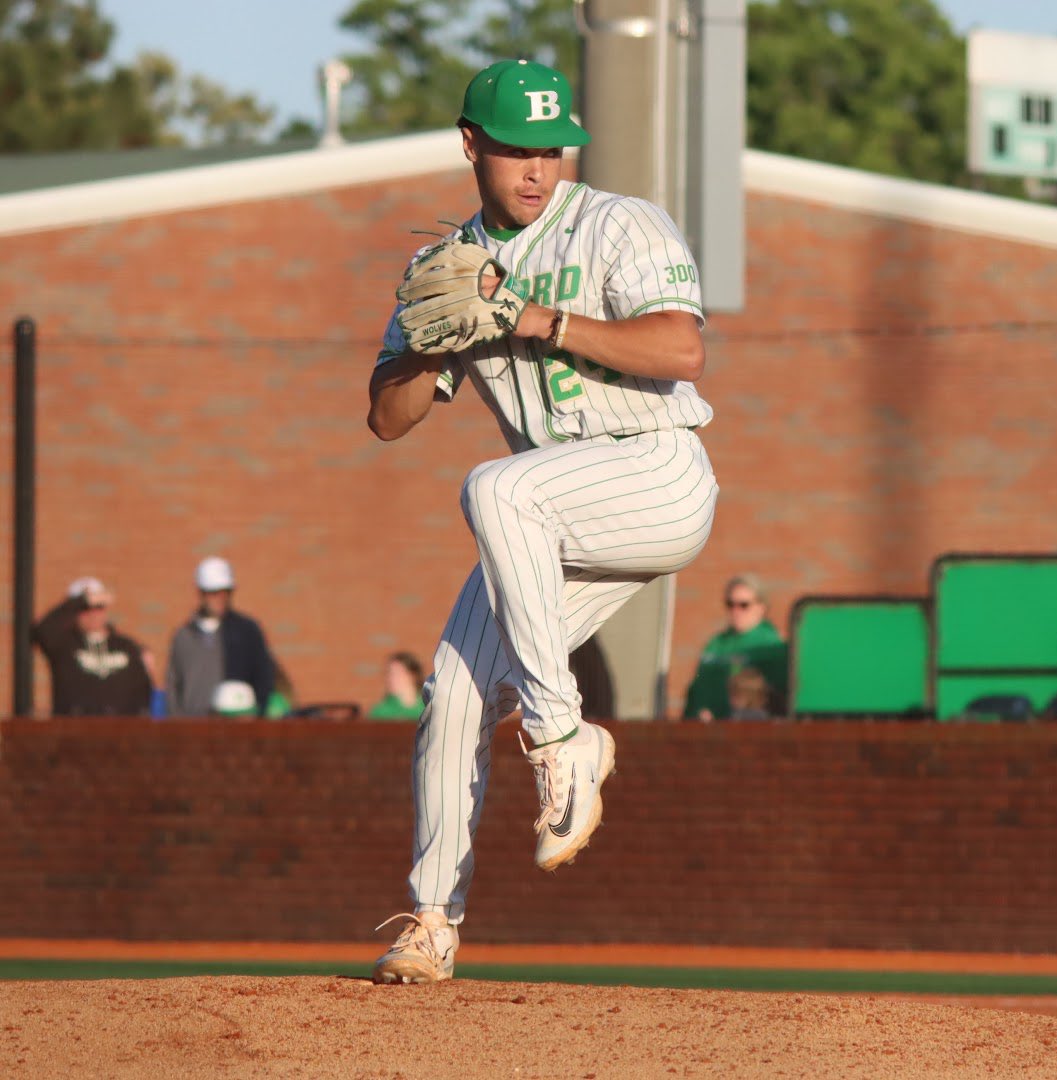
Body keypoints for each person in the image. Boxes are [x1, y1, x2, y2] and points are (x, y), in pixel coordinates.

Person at [366, 58, 717, 985]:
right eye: (516, 149)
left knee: (496, 487)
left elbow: (682, 348)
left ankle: (563, 740)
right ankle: (433, 922)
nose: (536, 169)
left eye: (551, 149)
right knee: (452, 693)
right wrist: (427, 339)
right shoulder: (448, 265)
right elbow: (388, 420)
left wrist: (536, 318)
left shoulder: (618, 222)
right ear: (471, 145)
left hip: (656, 475)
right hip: (548, 525)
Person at [165, 557, 275, 717]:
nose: (221, 599)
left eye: (226, 592)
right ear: (201, 593)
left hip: (236, 725)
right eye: (214, 593)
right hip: (193, 726)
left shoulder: (246, 631)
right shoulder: (184, 636)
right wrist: (177, 722)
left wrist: (257, 716)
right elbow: (173, 684)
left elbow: (264, 677)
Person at [31, 577, 153, 716]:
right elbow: (41, 631)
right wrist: (79, 601)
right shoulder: (63, 645)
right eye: (85, 608)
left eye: (99, 607)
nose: (93, 614)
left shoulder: (126, 646)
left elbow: (143, 691)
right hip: (74, 731)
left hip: (121, 732)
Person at [683, 574, 788, 722]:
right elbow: (697, 689)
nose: (736, 610)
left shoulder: (772, 646)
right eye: (730, 604)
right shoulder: (716, 643)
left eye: (744, 605)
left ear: (761, 607)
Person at [369, 652, 427, 721]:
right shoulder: (380, 712)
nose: (391, 678)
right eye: (389, 673)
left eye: (397, 673)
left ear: (413, 675)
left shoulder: (429, 708)